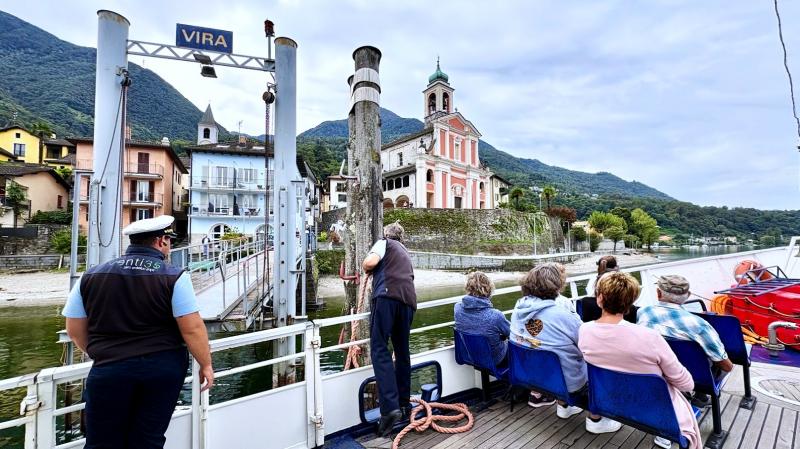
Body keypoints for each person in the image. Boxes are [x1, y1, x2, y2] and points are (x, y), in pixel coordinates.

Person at [63, 215, 214, 449]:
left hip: (109, 368)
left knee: (101, 441)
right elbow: (192, 328)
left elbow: (73, 328)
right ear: (162, 241)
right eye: (169, 240)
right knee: (147, 439)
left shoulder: (91, 275)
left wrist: (100, 353)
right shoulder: (174, 276)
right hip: (161, 368)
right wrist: (205, 364)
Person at [579, 272, 700, 449]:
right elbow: (686, 384)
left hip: (609, 398)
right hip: (651, 405)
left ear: (600, 299)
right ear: (630, 304)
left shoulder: (584, 330)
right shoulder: (649, 337)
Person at [510, 263, 620, 433]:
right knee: (599, 362)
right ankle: (596, 420)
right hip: (566, 382)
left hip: (531, 377)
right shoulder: (561, 315)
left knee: (554, 353)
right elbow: (588, 345)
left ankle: (564, 407)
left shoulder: (519, 308)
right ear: (557, 285)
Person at [638, 275, 734, 407]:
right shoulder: (700, 325)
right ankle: (701, 395)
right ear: (688, 295)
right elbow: (726, 366)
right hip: (693, 376)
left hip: (657, 370)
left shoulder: (643, 312)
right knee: (721, 362)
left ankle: (692, 394)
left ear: (658, 293)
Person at [362, 222, 416, 437]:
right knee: (402, 353)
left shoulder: (384, 242)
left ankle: (389, 409)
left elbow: (370, 262)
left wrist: (367, 268)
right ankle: (404, 405)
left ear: (387, 234)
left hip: (386, 297)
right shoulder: (405, 252)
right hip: (408, 302)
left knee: (379, 348)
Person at [454, 271, 510, 366]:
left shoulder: (457, 308)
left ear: (468, 288)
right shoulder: (495, 316)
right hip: (495, 360)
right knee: (517, 347)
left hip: (471, 356)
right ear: (489, 290)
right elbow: (512, 333)